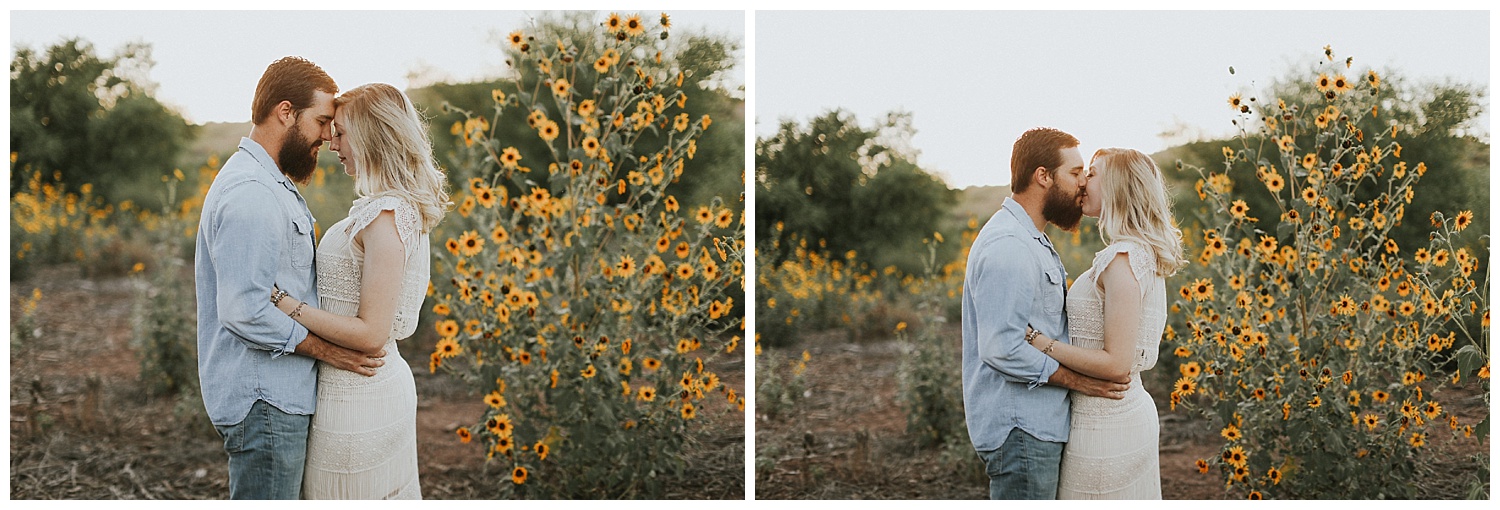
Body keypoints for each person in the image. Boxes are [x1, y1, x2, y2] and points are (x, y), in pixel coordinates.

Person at [195, 56, 386, 500]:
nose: (328, 134)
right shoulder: (253, 195)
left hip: (276, 399)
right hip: (266, 402)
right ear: (285, 112)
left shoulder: (270, 183)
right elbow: (245, 310)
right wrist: (330, 352)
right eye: (321, 121)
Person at [265, 82, 449, 499]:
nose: (331, 142)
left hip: (359, 396)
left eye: (342, 132)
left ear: (372, 135)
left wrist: (283, 302)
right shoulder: (386, 206)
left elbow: (371, 334)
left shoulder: (387, 215)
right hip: (351, 386)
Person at [961, 127, 1132, 500]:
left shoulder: (1030, 239)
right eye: (1074, 173)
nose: (1082, 184)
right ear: (1043, 176)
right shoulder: (1010, 246)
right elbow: (1002, 348)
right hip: (1021, 429)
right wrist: (1081, 381)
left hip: (1035, 427)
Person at [1023, 148, 1185, 499]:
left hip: (1107, 422)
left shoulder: (1123, 259)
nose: (1083, 182)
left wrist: (1040, 342)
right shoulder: (1136, 253)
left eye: (1093, 174)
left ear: (1117, 187)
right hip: (1110, 414)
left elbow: (1116, 364)